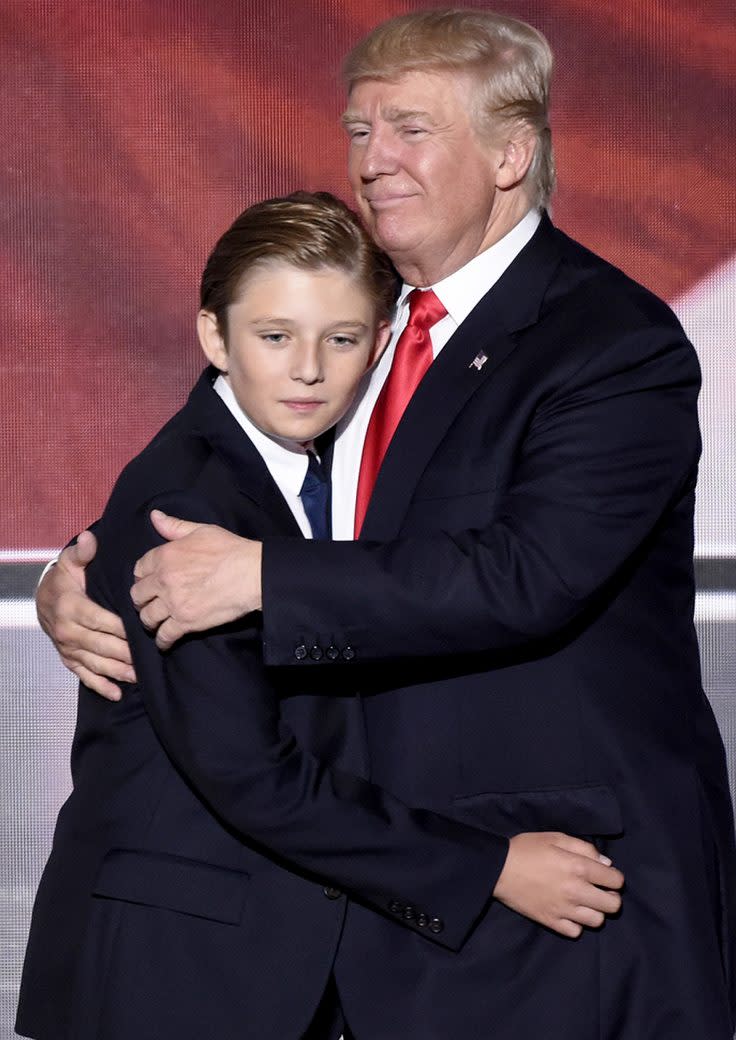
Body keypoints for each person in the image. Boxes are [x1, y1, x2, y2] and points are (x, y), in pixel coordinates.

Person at [36, 9, 736, 1040]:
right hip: (368, 922)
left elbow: (528, 572)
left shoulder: (610, 343)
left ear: (511, 153)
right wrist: (89, 575)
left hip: (560, 908)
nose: (374, 162)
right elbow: (216, 470)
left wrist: (265, 579)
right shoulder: (346, 316)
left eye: (410, 130)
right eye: (360, 132)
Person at [17, 191, 623, 1040]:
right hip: (175, 973)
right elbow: (247, 774)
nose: (308, 369)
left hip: (282, 961)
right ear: (213, 337)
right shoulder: (184, 504)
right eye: (275, 337)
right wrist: (489, 867)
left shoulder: (346, 466)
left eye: (339, 339)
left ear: (380, 344)